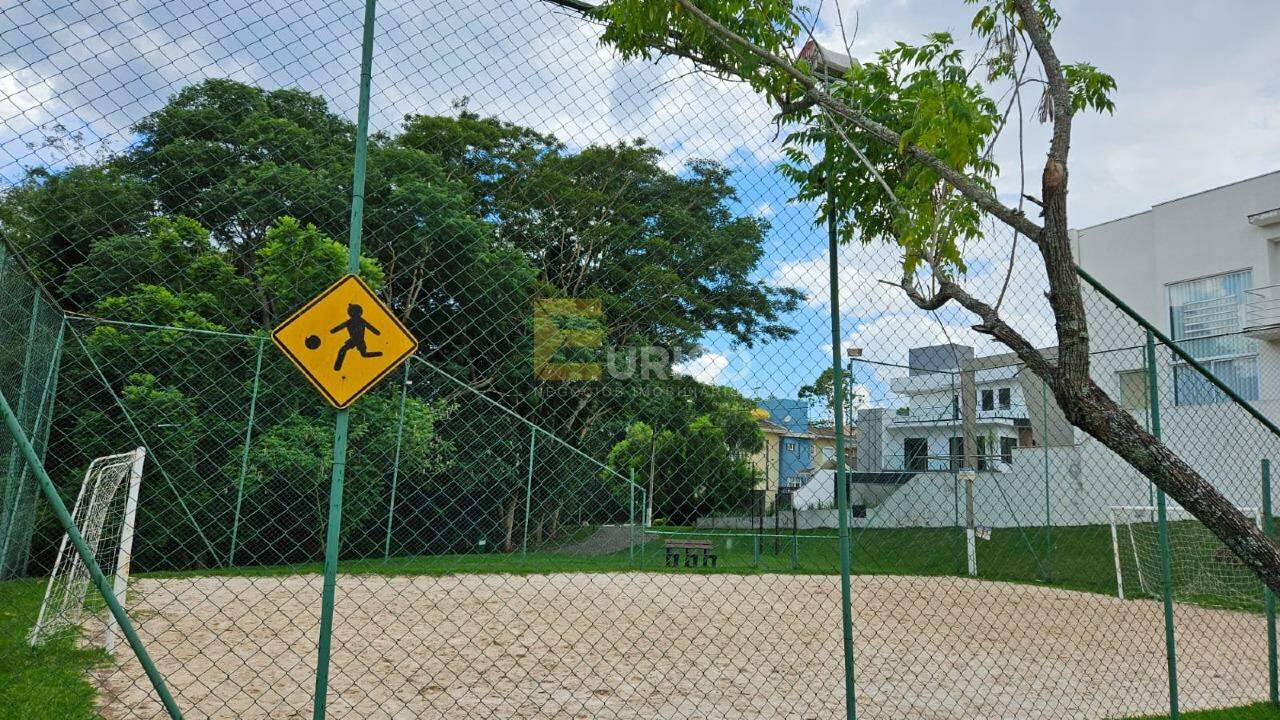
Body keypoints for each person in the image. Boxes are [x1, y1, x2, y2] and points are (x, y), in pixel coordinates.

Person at [330, 303, 383, 371]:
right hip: (353, 340)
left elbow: (370, 327)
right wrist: (332, 331)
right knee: (343, 349)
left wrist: (377, 333)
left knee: (362, 354)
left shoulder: (359, 321)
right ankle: (337, 367)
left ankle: (379, 354)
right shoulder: (352, 321)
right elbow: (339, 327)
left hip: (359, 340)